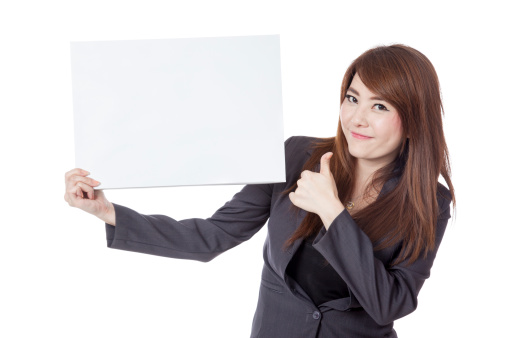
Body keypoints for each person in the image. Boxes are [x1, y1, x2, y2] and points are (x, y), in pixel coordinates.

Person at [64, 44, 455, 337]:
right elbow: (212, 236)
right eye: (352, 98)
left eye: (380, 106)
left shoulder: (429, 201)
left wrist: (333, 213)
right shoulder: (295, 155)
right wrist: (108, 211)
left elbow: (390, 303)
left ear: (414, 118)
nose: (357, 118)